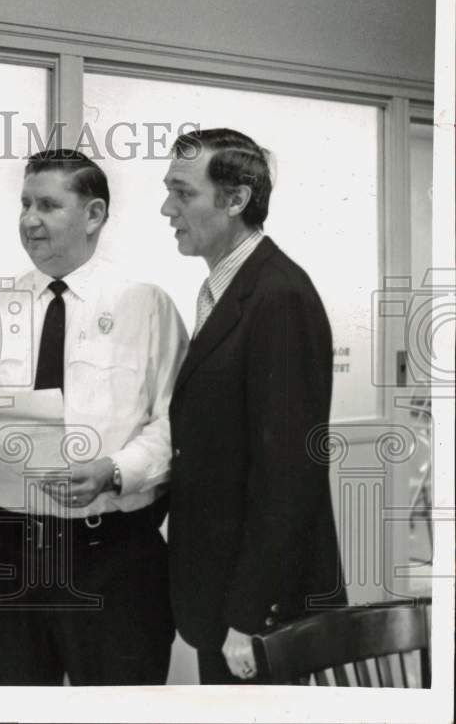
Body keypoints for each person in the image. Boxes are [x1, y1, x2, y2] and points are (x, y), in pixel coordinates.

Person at [0, 149, 188, 685]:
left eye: (49, 206)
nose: (29, 220)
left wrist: (116, 468)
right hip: (9, 555)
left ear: (94, 214)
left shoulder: (146, 305)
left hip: (114, 556)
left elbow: (178, 422)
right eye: (25, 204)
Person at [161, 128, 346, 684]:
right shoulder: (232, 289)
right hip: (223, 594)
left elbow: (290, 474)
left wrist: (247, 616)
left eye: (182, 192)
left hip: (258, 612)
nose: (166, 207)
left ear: (236, 199)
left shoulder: (278, 295)